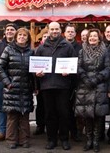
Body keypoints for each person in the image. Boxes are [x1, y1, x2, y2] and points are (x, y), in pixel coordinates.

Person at [35, 22, 75, 150]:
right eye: (52, 29)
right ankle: (51, 139)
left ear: (60, 30)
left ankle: (64, 139)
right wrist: (37, 74)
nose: (54, 31)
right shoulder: (41, 48)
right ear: (48, 30)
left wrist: (69, 72)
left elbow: (75, 65)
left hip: (63, 86)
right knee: (49, 114)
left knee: (64, 113)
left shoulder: (67, 46)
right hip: (46, 86)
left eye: (56, 29)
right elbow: (35, 66)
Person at [0, 27, 35, 149]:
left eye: (24, 35)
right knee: (12, 116)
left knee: (24, 115)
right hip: (12, 88)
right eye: (20, 35)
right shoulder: (9, 49)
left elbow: (33, 72)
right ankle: (11, 139)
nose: (22, 37)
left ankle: (24, 140)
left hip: (26, 89)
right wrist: (7, 82)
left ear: (28, 38)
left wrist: (35, 85)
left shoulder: (31, 52)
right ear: (16, 37)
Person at [75, 28, 110, 152]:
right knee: (87, 115)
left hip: (99, 86)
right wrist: (85, 79)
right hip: (85, 86)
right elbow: (78, 67)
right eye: (91, 37)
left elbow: (108, 69)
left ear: (99, 38)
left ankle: (96, 141)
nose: (92, 38)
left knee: (98, 116)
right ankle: (88, 140)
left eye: (95, 36)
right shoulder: (82, 51)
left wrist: (97, 79)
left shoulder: (105, 51)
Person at [64, 24, 82, 142]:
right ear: (64, 33)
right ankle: (65, 132)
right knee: (65, 109)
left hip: (77, 82)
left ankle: (75, 132)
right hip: (63, 82)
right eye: (68, 31)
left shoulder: (80, 47)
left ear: (75, 34)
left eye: (72, 32)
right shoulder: (61, 46)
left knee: (76, 110)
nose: (70, 33)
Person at [33, 28, 49, 135]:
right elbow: (33, 69)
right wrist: (35, 86)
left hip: (51, 83)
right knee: (40, 106)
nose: (46, 38)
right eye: (44, 36)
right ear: (41, 39)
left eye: (48, 36)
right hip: (40, 82)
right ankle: (40, 125)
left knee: (50, 107)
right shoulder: (37, 50)